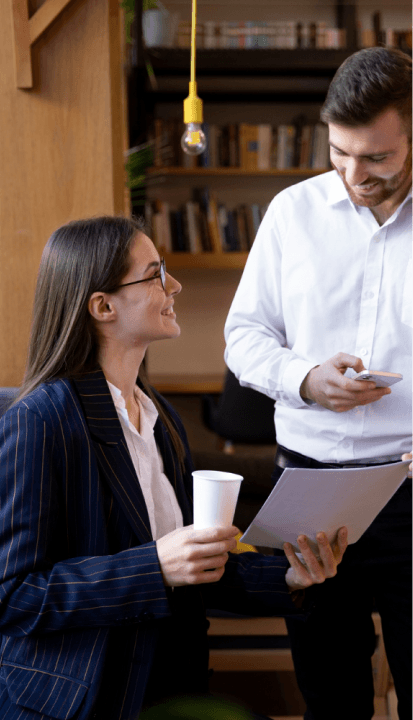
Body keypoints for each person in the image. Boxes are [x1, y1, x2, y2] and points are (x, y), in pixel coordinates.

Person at [0, 216, 348, 720]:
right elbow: (13, 596)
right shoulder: (42, 421)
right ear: (103, 306)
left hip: (171, 682)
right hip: (84, 699)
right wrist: (154, 566)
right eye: (155, 274)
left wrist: (292, 577)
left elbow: (195, 567)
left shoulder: (160, 417)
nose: (175, 285)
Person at [225, 46, 412, 720]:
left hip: (411, 482)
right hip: (307, 487)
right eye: (338, 152)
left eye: (375, 158)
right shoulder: (290, 212)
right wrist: (303, 379)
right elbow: (243, 337)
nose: (352, 174)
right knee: (327, 691)